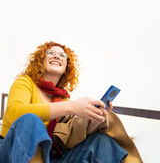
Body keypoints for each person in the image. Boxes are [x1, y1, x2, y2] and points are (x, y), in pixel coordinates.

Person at [0, 41, 142, 163]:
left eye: (62, 55)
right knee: (31, 120)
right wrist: (71, 107)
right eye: (50, 53)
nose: (56, 56)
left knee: (101, 141)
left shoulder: (63, 98)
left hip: (49, 157)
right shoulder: (25, 82)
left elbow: (65, 138)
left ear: (66, 68)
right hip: (11, 151)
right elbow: (14, 113)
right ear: (40, 60)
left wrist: (93, 122)